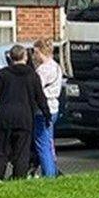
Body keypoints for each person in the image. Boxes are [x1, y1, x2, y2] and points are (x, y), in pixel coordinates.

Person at [0, 45, 50, 181]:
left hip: (4, 116)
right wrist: (47, 115)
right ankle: (19, 178)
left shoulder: (3, 74)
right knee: (22, 152)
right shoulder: (32, 75)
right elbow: (40, 98)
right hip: (24, 117)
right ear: (25, 57)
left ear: (11, 58)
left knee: (1, 151)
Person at [32, 39, 62, 178]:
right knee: (49, 142)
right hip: (54, 107)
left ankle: (49, 175)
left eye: (34, 52)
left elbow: (36, 90)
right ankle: (53, 171)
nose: (33, 55)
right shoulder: (56, 66)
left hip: (42, 109)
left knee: (42, 143)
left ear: (39, 52)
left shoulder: (42, 70)